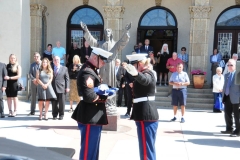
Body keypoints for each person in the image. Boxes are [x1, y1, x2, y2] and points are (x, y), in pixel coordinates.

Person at [81, 21, 131, 115]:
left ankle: (111, 104)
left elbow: (122, 41)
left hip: (111, 66)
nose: (107, 33)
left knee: (111, 85)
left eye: (109, 31)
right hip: (102, 66)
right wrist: (86, 30)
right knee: (101, 84)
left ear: (111, 33)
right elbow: (91, 40)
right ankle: (101, 103)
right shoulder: (100, 43)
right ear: (104, 34)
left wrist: (126, 31)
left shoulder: (115, 44)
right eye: (106, 31)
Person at [71, 47, 113, 160]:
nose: (104, 63)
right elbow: (90, 96)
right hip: (90, 115)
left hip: (93, 115)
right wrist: (105, 96)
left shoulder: (91, 69)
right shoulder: (87, 72)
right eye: (102, 60)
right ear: (95, 57)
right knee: (88, 152)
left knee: (93, 150)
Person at [124, 53, 159, 160]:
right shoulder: (144, 73)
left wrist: (136, 74)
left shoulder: (147, 73)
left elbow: (146, 80)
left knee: (146, 150)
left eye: (134, 65)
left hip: (146, 115)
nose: (132, 69)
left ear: (139, 64)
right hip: (144, 114)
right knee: (147, 148)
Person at [221, 59, 240, 137]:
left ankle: (238, 131)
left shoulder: (238, 75)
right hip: (227, 96)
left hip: (236, 98)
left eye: (231, 65)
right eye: (228, 65)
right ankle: (229, 129)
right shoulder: (226, 75)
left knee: (237, 115)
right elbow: (225, 86)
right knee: (227, 113)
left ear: (235, 66)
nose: (229, 66)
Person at [51, 56, 70, 120]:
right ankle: (54, 115)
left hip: (62, 87)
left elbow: (67, 79)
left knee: (62, 102)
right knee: (54, 102)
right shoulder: (51, 68)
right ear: (53, 61)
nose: (56, 61)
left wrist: (67, 87)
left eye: (57, 60)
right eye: (55, 60)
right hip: (53, 87)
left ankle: (61, 115)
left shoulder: (64, 68)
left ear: (60, 61)